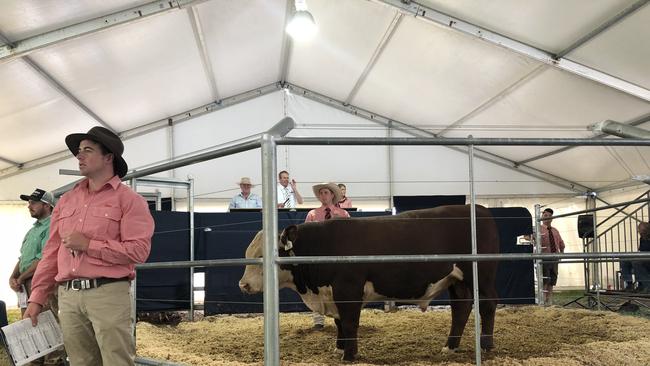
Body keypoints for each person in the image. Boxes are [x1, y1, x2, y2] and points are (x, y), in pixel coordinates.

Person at [23, 126, 155, 366]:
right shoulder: (67, 201)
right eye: (78, 151)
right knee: (81, 361)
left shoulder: (130, 200)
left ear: (108, 157)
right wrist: (37, 297)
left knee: (117, 361)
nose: (79, 156)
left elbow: (139, 251)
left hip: (108, 293)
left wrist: (89, 245)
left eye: (87, 150)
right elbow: (51, 252)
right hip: (68, 296)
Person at [9, 188, 65, 365]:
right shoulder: (32, 230)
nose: (29, 206)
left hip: (41, 280)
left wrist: (20, 277)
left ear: (47, 205)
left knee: (47, 323)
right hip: (25, 282)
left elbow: (44, 259)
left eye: (33, 202)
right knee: (30, 324)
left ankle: (52, 361)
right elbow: (22, 257)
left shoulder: (51, 227)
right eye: (29, 202)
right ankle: (35, 360)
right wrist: (13, 276)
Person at [305, 183, 350, 329]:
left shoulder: (343, 214)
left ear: (332, 195)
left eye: (326, 192)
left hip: (338, 256)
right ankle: (318, 319)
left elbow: (351, 235)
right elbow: (305, 236)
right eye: (321, 193)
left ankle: (340, 318)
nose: (323, 195)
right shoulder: (312, 214)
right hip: (318, 256)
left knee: (338, 288)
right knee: (316, 288)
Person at [538, 208, 565, 306]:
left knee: (552, 279)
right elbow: (528, 236)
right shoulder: (538, 229)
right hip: (543, 258)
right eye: (545, 216)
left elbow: (561, 243)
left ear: (552, 218)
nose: (547, 218)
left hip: (554, 257)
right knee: (545, 279)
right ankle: (543, 300)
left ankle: (549, 300)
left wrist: (561, 253)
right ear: (541, 216)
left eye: (550, 216)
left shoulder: (555, 231)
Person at [621, 222, 650, 293]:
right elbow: (641, 250)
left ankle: (646, 285)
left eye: (642, 232)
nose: (640, 234)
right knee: (624, 260)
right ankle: (629, 284)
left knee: (636, 262)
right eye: (639, 232)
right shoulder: (642, 238)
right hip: (644, 258)